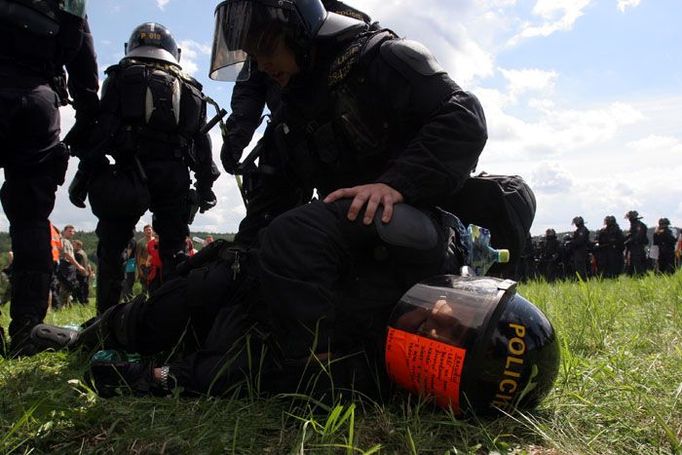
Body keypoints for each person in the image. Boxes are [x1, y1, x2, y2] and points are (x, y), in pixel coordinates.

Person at [34, 0, 487, 401]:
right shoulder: (294, 111)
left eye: (266, 48)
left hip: (418, 236)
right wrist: (232, 264)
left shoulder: (381, 57)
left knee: (295, 235)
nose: (262, 65)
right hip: (347, 247)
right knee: (223, 272)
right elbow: (269, 203)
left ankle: (315, 370)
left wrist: (396, 183)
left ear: (296, 30)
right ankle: (101, 333)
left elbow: (463, 117)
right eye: (251, 54)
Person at [67, 22, 221, 315]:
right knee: (175, 249)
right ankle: (173, 319)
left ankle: (108, 320)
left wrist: (83, 175)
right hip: (174, 175)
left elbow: (102, 132)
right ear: (174, 52)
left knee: (113, 247)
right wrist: (205, 186)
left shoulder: (121, 78)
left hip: (129, 173)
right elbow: (202, 144)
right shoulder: (190, 87)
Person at [0, 0, 99, 356]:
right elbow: (85, 75)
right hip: (38, 103)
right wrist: (86, 121)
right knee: (31, 220)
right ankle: (27, 329)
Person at [219, 0, 373, 176]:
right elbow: (249, 88)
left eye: (268, 48)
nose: (263, 65)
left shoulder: (357, 40)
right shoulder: (259, 43)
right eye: (255, 56)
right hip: (292, 123)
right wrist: (237, 134)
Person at [624, 210, 648, 276]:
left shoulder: (639, 225)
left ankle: (640, 276)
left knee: (637, 263)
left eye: (630, 218)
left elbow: (638, 237)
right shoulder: (633, 225)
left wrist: (628, 241)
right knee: (631, 263)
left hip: (638, 247)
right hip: (632, 247)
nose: (629, 219)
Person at [135, 224, 154, 293]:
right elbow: (138, 256)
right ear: (144, 232)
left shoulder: (156, 241)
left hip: (154, 266)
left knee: (153, 284)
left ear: (152, 231)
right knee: (145, 285)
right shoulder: (140, 242)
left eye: (149, 229)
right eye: (146, 230)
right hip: (144, 266)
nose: (148, 231)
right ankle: (144, 300)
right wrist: (139, 269)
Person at [72, 239, 93, 304]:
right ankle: (85, 302)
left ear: (78, 246)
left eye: (74, 244)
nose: (72, 246)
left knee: (79, 289)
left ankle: (81, 302)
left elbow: (77, 265)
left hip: (80, 274)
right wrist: (90, 272)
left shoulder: (77, 254)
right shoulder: (83, 253)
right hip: (85, 273)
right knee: (85, 289)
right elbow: (88, 264)